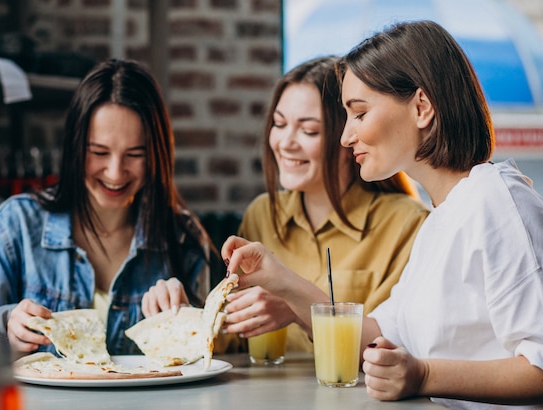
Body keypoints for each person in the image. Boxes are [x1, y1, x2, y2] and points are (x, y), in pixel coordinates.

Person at [222, 20, 543, 410]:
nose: (345, 137)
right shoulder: (441, 220)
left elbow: (539, 366)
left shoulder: (497, 200)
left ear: (421, 107)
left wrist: (424, 375)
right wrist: (280, 280)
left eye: (359, 114)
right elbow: (373, 336)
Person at [142, 56, 429, 353]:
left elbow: (391, 345)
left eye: (309, 131)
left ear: (348, 137)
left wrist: (297, 308)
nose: (285, 142)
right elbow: (232, 335)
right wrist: (182, 315)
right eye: (279, 124)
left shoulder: (405, 224)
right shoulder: (262, 215)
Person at [0, 59, 212, 355]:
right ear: (75, 148)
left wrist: (183, 324)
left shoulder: (183, 238)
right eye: (99, 152)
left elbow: (204, 358)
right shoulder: (14, 228)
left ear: (157, 155)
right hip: (36, 404)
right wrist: (5, 327)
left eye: (135, 154)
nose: (115, 172)